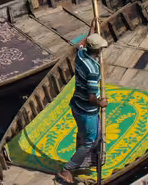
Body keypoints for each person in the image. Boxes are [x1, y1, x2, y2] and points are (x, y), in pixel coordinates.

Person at [57, 34, 109, 184]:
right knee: (89, 141)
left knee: (84, 134)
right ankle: (67, 168)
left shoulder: (81, 54)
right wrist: (101, 103)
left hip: (76, 105)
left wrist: (92, 27)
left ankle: (86, 160)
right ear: (98, 50)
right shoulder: (93, 70)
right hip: (87, 110)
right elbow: (91, 98)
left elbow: (82, 43)